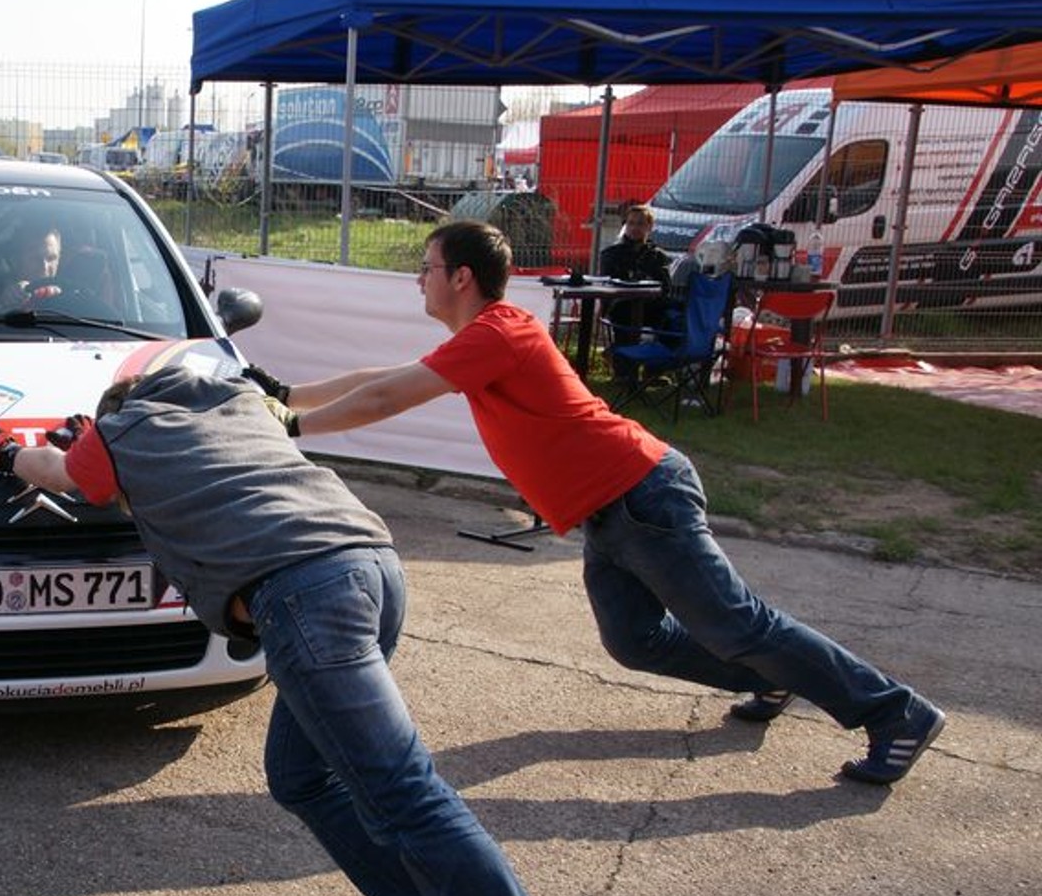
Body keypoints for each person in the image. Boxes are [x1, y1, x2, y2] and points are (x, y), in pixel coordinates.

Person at [0, 368, 609, 896]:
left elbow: (58, 475)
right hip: (373, 568)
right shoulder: (240, 406)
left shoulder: (122, 432)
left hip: (301, 594)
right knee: (300, 775)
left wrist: (3, 451)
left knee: (408, 796)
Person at [258, 219, 945, 787]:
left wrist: (292, 429)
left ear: (460, 277)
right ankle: (770, 679)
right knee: (635, 639)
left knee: (740, 622)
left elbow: (386, 397)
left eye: (427, 266)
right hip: (612, 510)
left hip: (642, 495)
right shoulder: (481, 338)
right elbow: (384, 378)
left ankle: (895, 712)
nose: (419, 277)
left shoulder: (502, 331)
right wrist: (286, 395)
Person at [597, 204, 677, 368]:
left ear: (649, 227)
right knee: (626, 315)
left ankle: (655, 369)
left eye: (640, 223)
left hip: (650, 307)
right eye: (631, 223)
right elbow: (607, 285)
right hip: (621, 306)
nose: (634, 228)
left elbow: (665, 287)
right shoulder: (611, 254)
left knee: (673, 316)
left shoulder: (657, 256)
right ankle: (624, 369)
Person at [0, 224, 62, 309]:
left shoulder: (73, 303)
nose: (44, 267)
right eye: (35, 258)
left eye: (51, 258)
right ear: (15, 261)